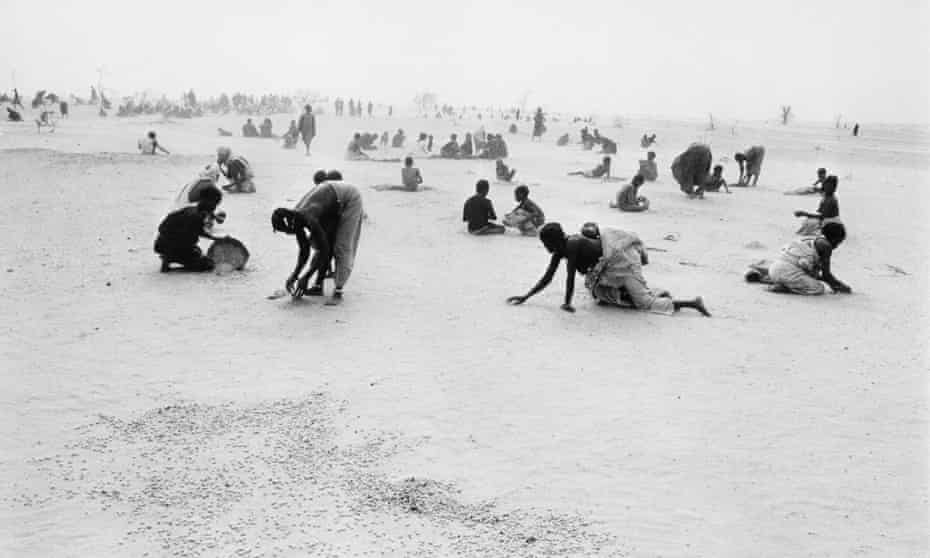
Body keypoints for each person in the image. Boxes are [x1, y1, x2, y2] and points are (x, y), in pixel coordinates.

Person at [506, 223, 709, 315]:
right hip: (611, 268)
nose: (545, 247)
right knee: (599, 292)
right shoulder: (562, 250)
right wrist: (525, 296)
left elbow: (568, 278)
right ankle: (647, 293)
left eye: (545, 243)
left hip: (624, 262)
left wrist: (567, 303)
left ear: (555, 240)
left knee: (644, 303)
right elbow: (547, 277)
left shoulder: (573, 245)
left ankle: (691, 303)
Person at [271, 176, 364, 305]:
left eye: (286, 230)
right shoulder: (296, 216)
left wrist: (306, 277)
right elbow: (304, 251)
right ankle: (318, 287)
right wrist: (295, 275)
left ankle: (338, 290)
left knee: (340, 245)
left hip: (349, 198)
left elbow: (325, 250)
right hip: (332, 201)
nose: (288, 233)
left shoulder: (308, 216)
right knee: (318, 243)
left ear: (289, 223)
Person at [745, 222, 851, 295]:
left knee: (801, 276)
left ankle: (762, 278)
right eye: (838, 242)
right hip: (786, 271)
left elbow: (816, 274)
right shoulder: (826, 246)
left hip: (775, 268)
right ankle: (784, 287)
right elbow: (826, 275)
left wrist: (832, 282)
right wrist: (840, 286)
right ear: (834, 238)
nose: (837, 246)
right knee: (818, 288)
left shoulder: (811, 240)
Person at [154, 187, 224, 272]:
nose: (215, 207)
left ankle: (170, 256)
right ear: (207, 202)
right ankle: (171, 257)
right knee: (208, 265)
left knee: (196, 251)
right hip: (171, 246)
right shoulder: (196, 215)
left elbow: (162, 227)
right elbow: (198, 231)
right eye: (214, 204)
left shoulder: (191, 209)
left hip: (160, 243)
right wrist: (214, 238)